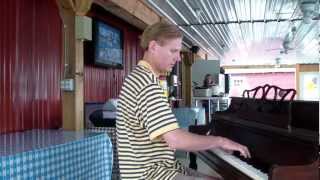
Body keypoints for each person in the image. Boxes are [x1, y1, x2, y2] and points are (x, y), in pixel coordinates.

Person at [116, 21, 250, 180]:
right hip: (149, 175)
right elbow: (175, 140)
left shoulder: (141, 78)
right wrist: (220, 141)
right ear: (153, 47)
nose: (178, 58)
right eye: (173, 51)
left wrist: (210, 141)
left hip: (162, 169)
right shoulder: (146, 84)